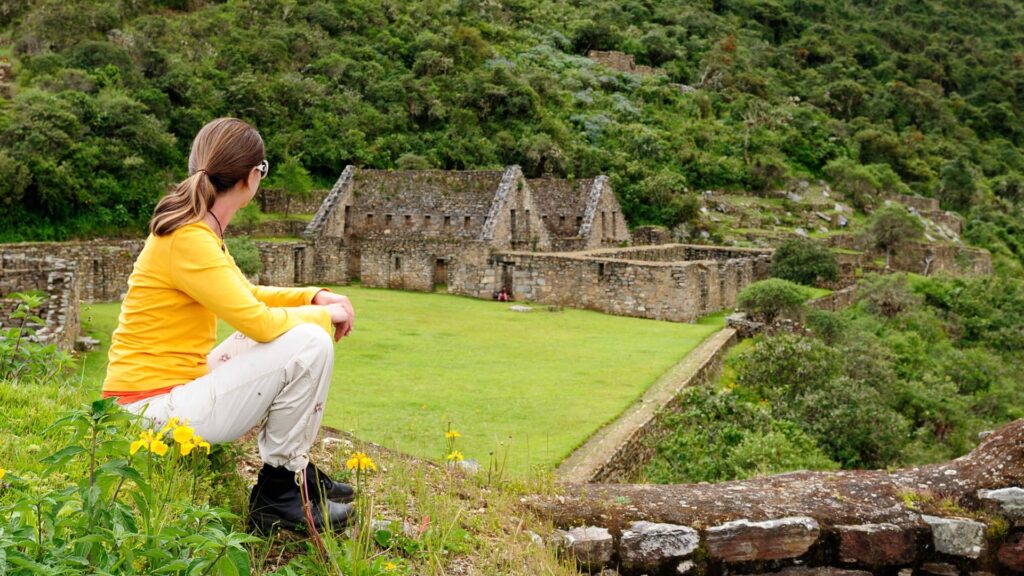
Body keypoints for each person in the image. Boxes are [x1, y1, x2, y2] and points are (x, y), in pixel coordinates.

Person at [101, 118, 354, 534]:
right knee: (308, 340)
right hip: (149, 411)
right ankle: (278, 494)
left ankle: (296, 475)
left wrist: (312, 297)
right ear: (253, 177)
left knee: (294, 331)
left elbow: (245, 294)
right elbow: (257, 321)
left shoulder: (196, 229)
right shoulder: (189, 238)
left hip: (160, 397)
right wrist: (324, 317)